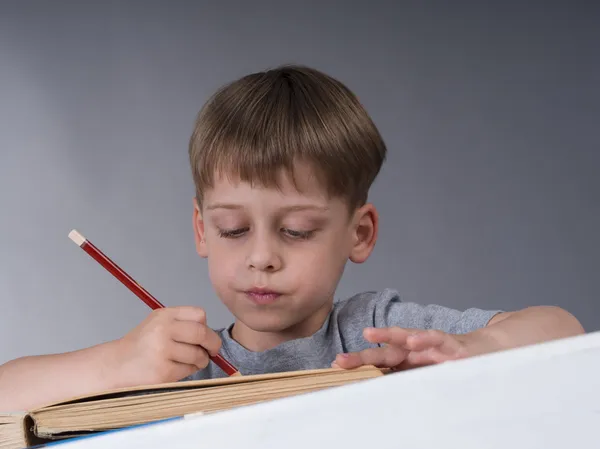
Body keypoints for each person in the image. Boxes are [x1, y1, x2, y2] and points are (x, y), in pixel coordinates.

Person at [0, 65, 584, 411]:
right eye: (233, 229)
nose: (261, 258)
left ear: (359, 234)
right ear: (203, 230)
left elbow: (562, 330)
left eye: (297, 231)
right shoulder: (186, 363)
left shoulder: (371, 330)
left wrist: (476, 351)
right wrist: (116, 363)